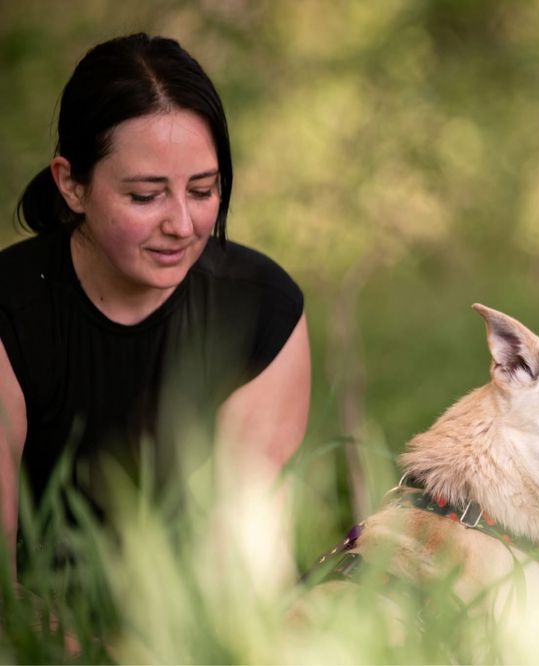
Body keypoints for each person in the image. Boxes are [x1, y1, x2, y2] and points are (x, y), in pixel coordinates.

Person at [0, 33, 311, 579]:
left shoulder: (262, 309)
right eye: (145, 196)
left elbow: (242, 563)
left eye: (202, 190)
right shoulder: (11, 309)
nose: (183, 225)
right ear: (71, 184)